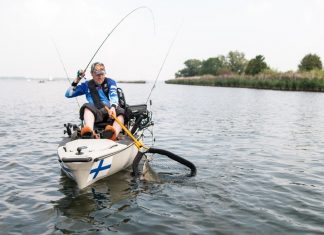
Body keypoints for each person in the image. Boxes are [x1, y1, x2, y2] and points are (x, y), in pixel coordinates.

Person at [65, 62, 124, 140]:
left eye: (102, 74)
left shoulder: (110, 82)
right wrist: (78, 79)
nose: (100, 77)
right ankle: (89, 132)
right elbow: (68, 94)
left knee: (121, 112)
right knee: (86, 107)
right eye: (97, 75)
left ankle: (113, 134)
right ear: (92, 74)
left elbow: (113, 95)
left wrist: (113, 107)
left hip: (111, 111)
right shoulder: (86, 85)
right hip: (96, 113)